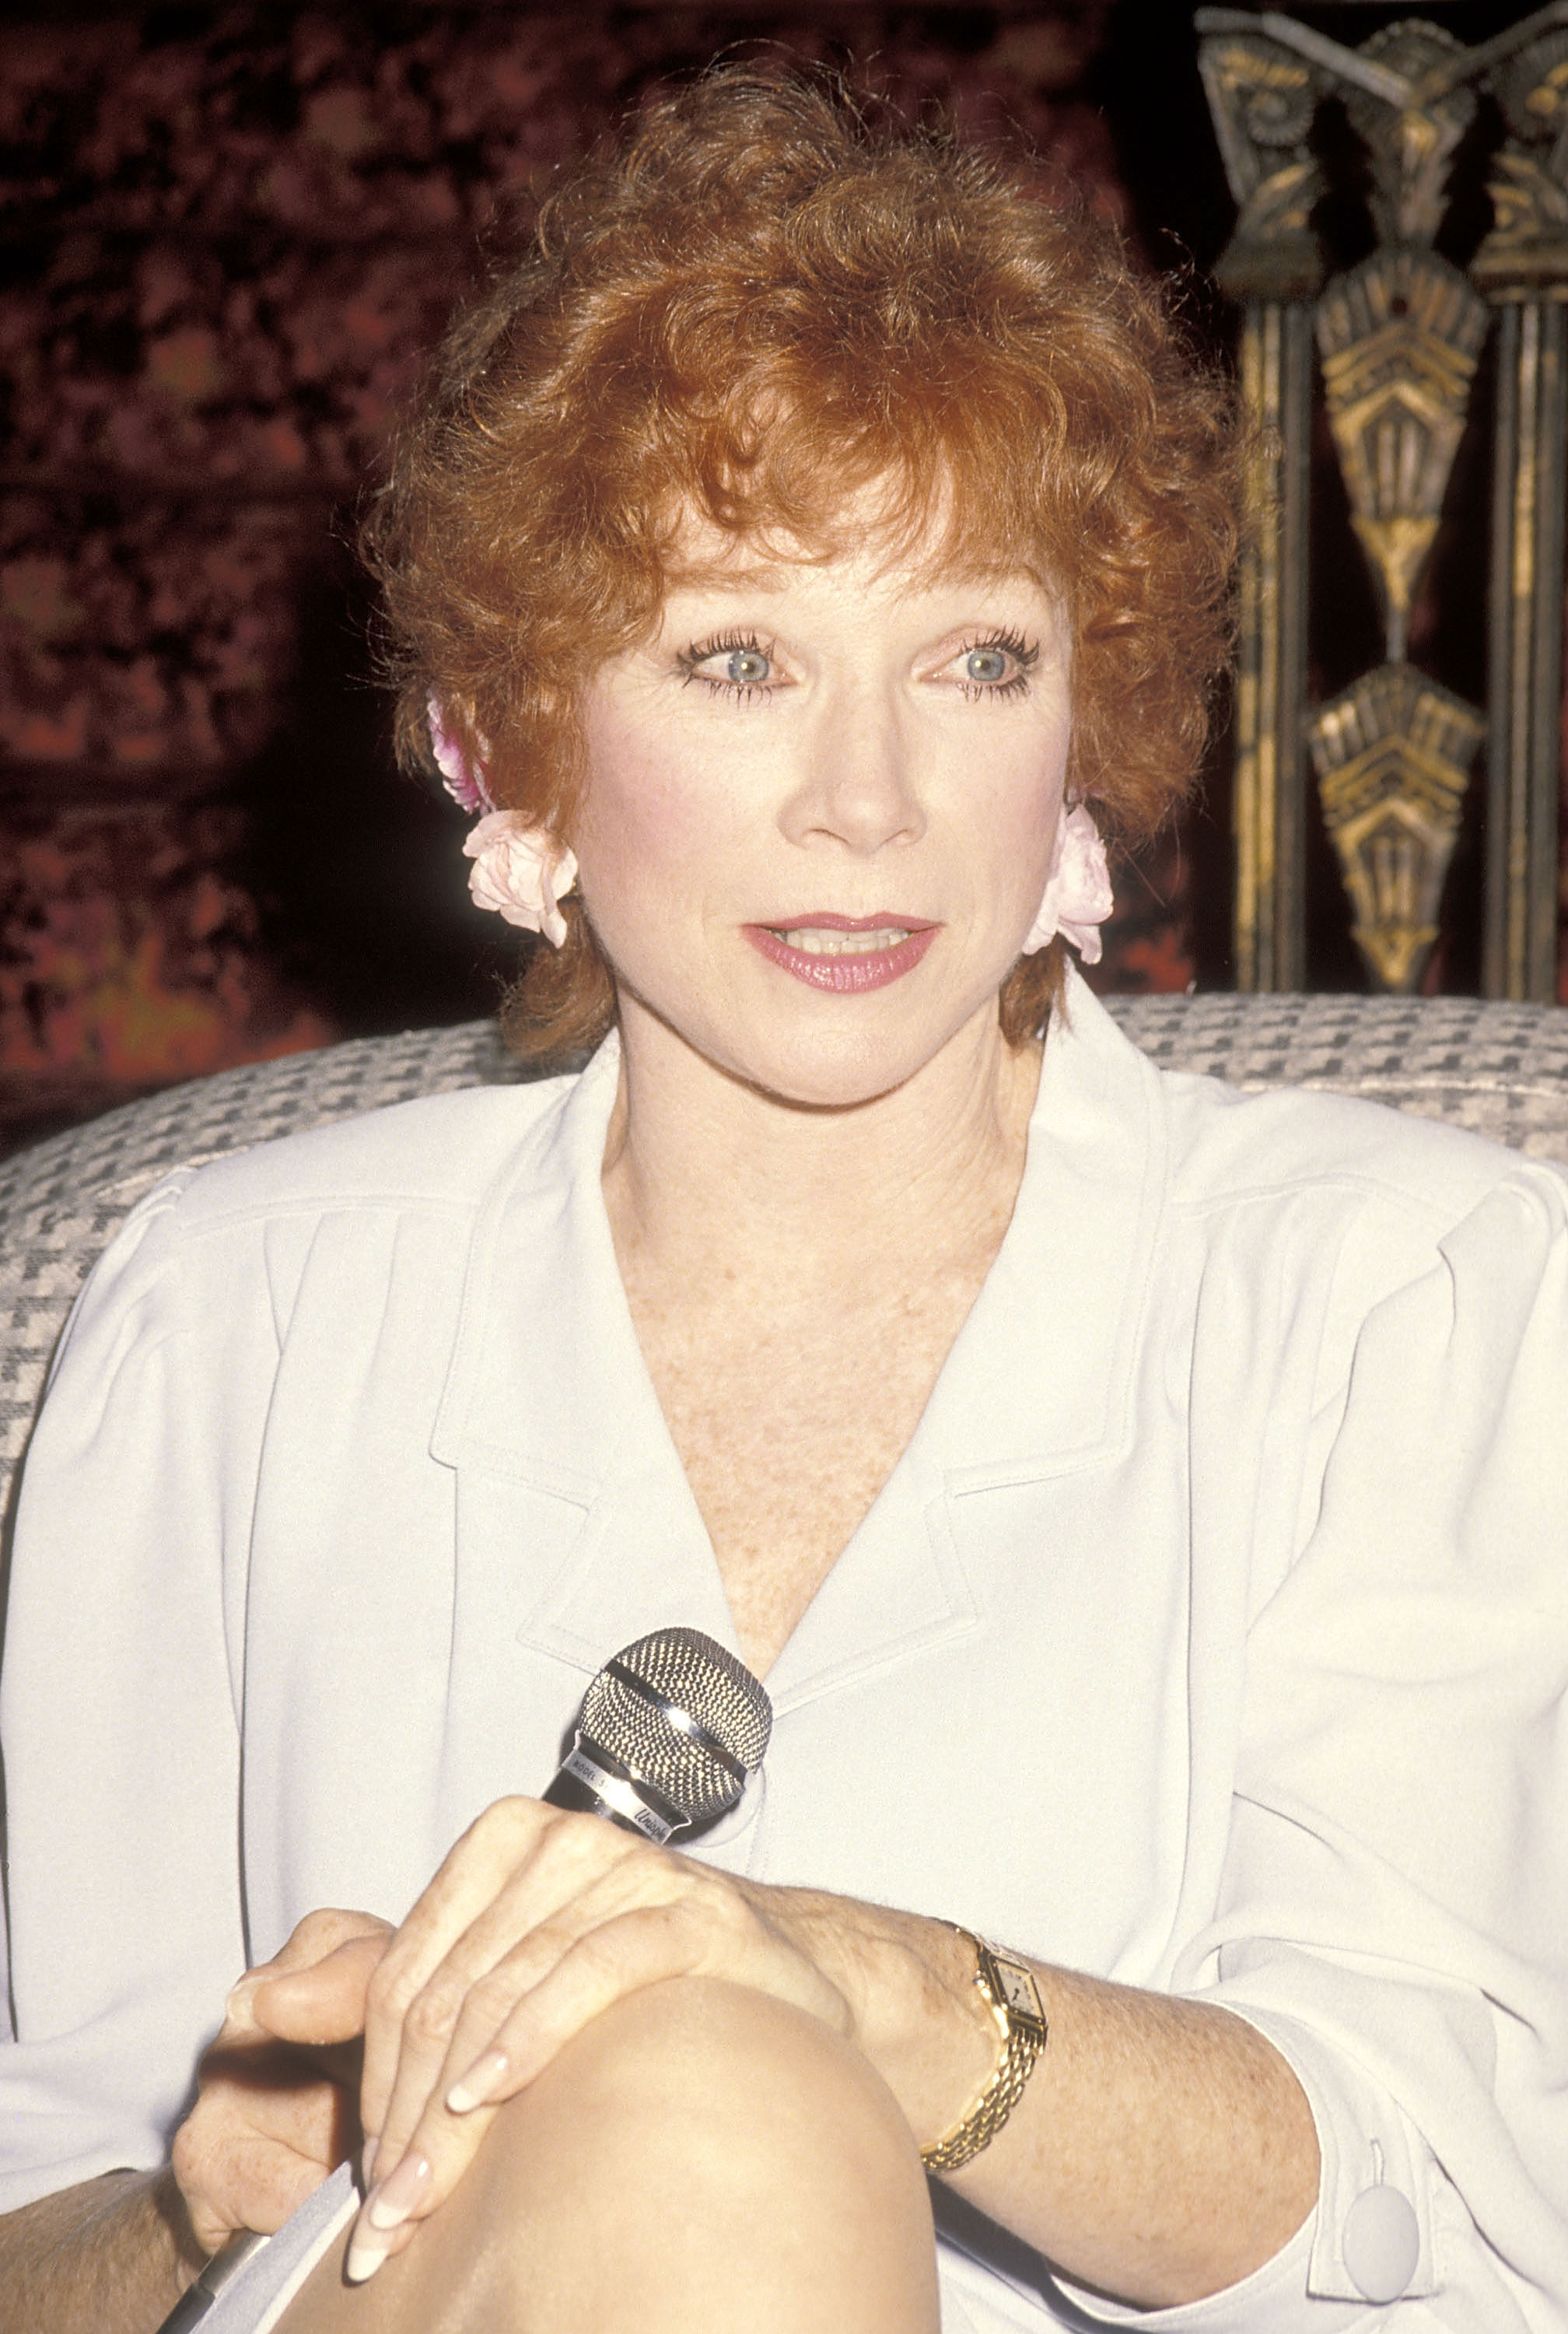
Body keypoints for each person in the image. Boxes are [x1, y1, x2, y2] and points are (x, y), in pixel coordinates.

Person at [1, 65, 1565, 2334]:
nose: (870, 799)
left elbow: (1460, 2187)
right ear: (525, 734)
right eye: (739, 659)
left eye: (976, 661)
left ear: (1077, 722)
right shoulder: (222, 1311)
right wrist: (202, 2199)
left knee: (710, 2084)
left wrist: (870, 1995)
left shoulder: (1409, 1289)